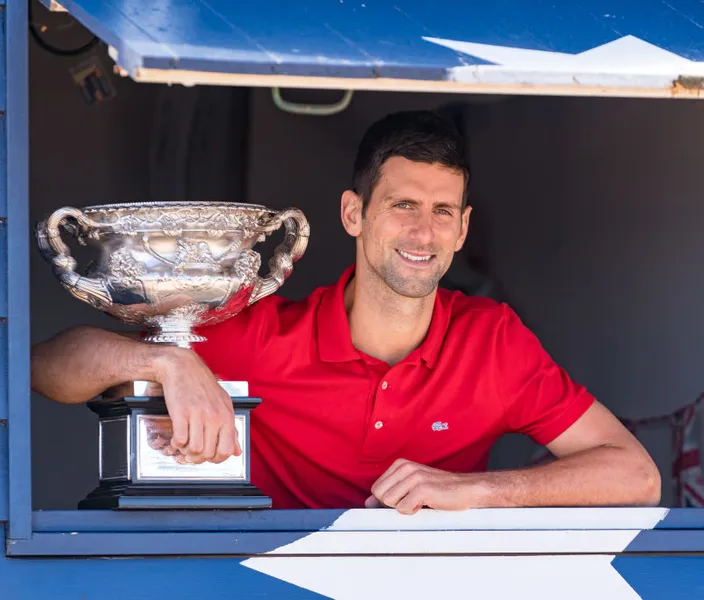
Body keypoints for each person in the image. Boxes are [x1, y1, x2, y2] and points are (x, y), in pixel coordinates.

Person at [32, 110, 661, 513]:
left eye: (443, 212)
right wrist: (168, 363)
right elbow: (48, 367)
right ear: (353, 215)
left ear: (464, 229)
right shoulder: (263, 333)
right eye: (403, 205)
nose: (424, 231)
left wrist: (479, 491)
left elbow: (636, 476)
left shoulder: (492, 339)